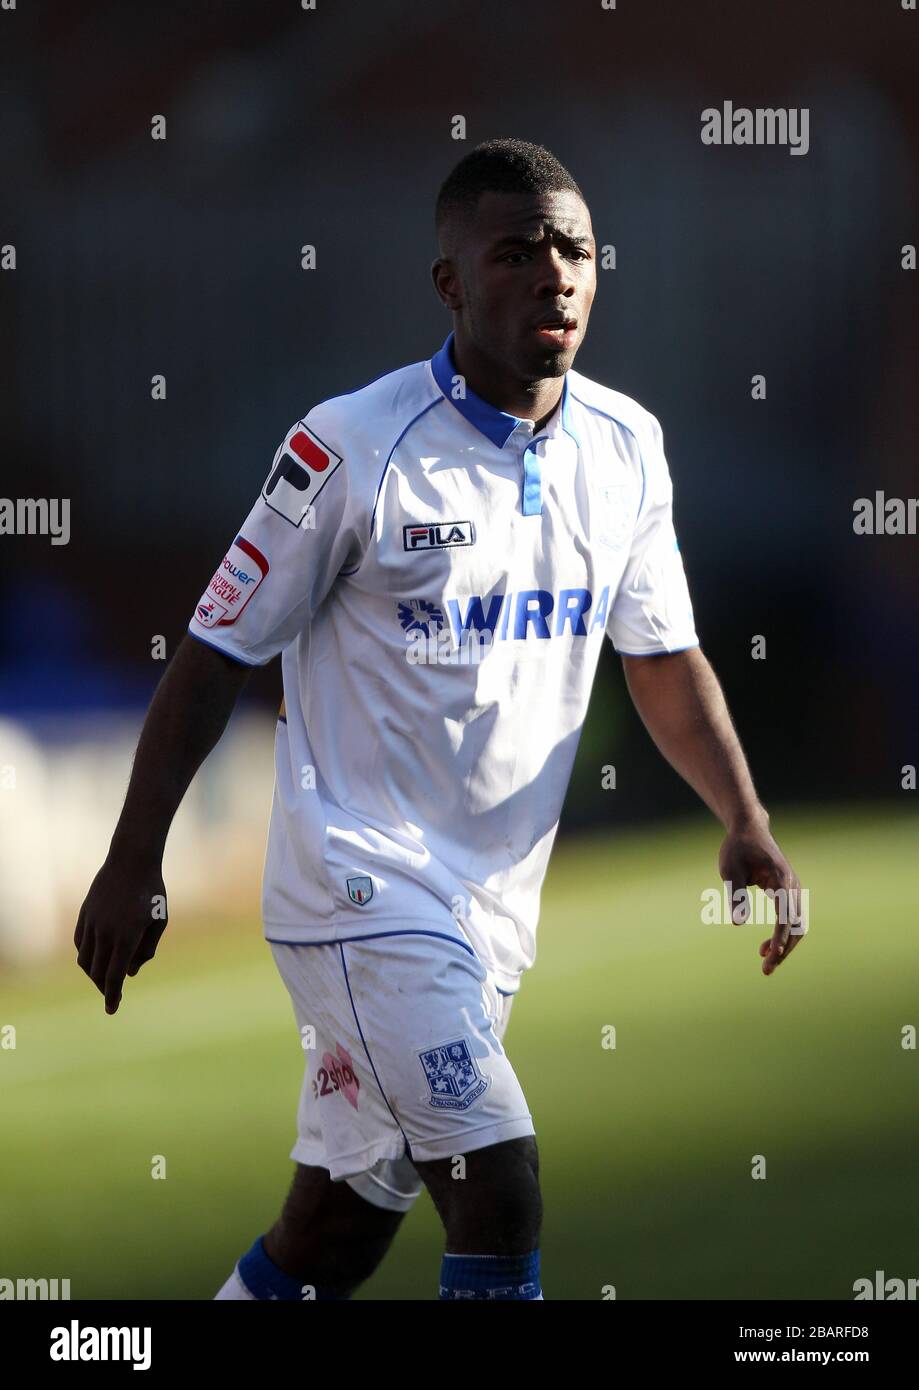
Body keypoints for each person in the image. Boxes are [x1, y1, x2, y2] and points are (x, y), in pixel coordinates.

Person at [74, 138, 804, 1302]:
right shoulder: (352, 447)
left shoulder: (626, 448)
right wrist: (132, 860)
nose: (552, 274)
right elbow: (214, 652)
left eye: (572, 250)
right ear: (450, 284)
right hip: (355, 889)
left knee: (335, 1231)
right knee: (498, 1180)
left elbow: (662, 657)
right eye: (514, 253)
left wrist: (744, 817)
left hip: (486, 916)